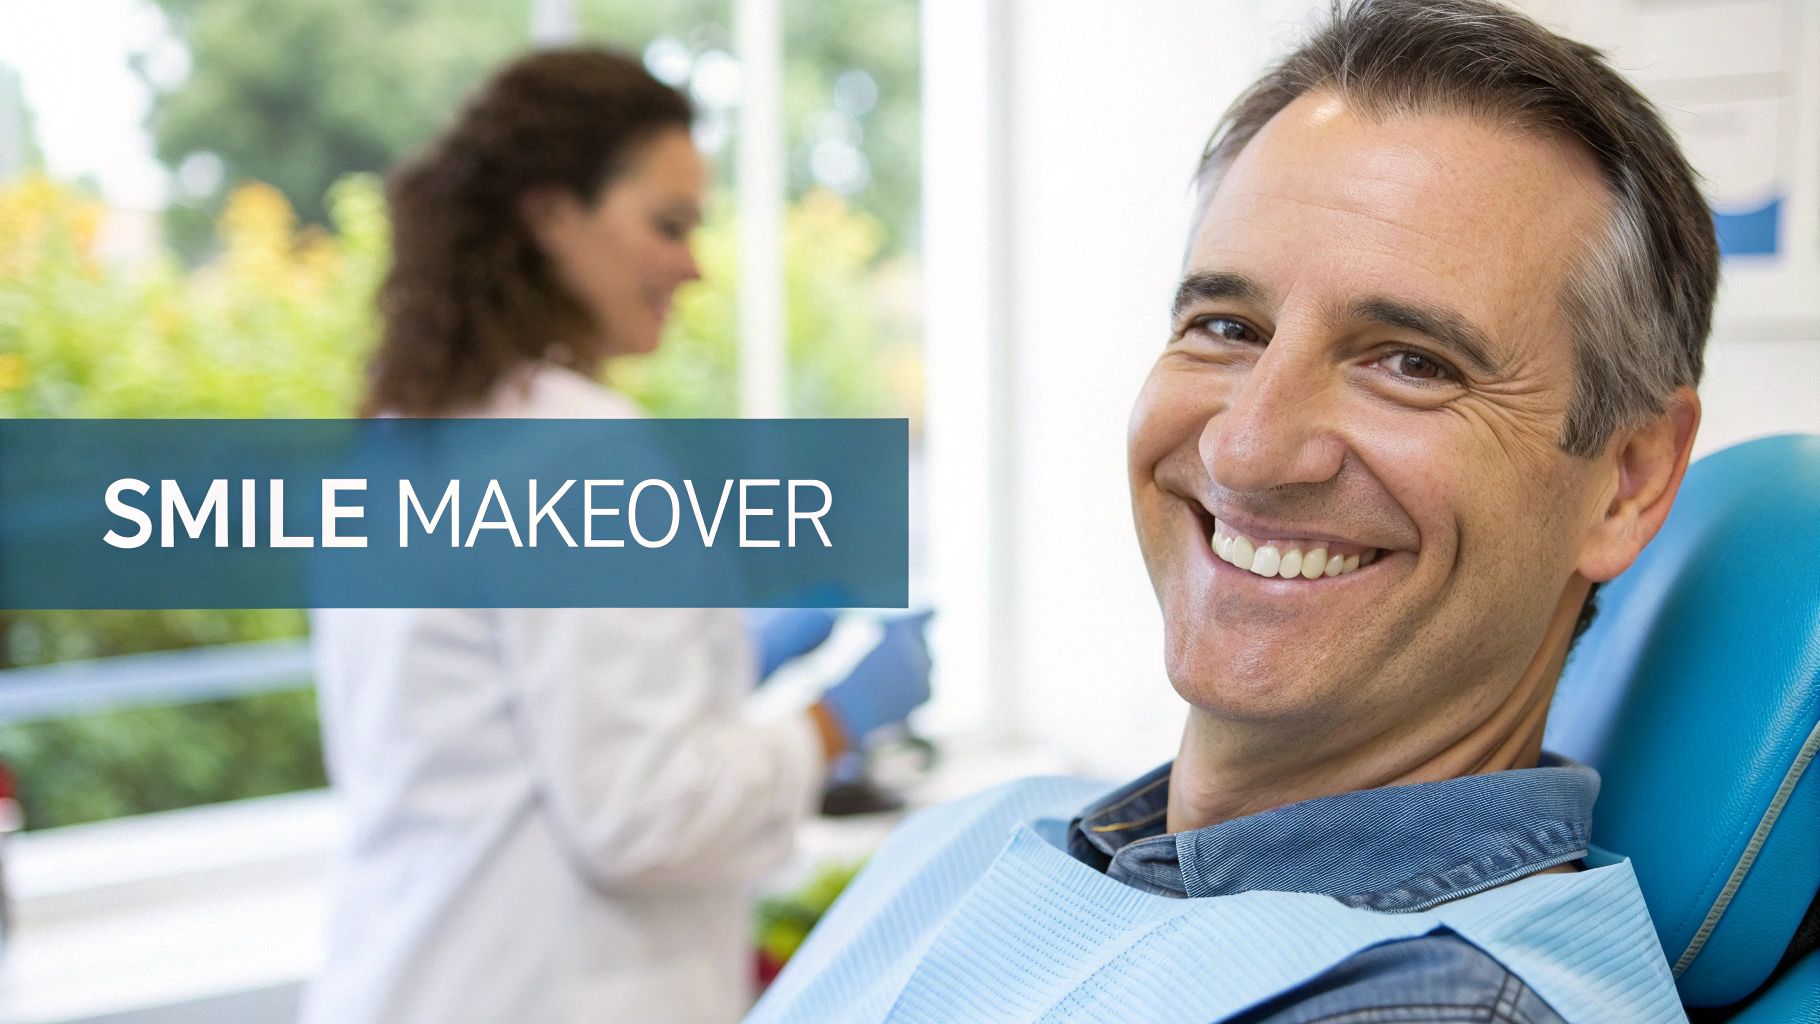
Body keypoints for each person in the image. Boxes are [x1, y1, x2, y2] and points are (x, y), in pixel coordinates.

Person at [746, 1, 1716, 1021]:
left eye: (1410, 362)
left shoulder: (1430, 1001)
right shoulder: (992, 834)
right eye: (1225, 325)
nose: (1242, 447)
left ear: (1628, 479)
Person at [303, 49, 932, 1024]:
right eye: (667, 224)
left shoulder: (411, 432)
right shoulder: (577, 449)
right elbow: (643, 816)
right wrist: (836, 720)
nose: (692, 263)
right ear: (550, 215)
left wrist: (727, 657)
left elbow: (503, 723)